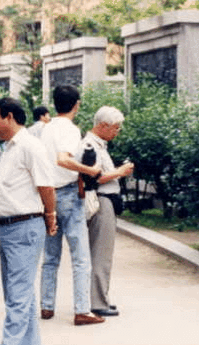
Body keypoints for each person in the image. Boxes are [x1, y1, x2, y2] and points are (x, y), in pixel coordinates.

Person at [0, 97, 57, 345]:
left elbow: (46, 186)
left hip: (24, 227)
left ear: (9, 117)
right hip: (7, 228)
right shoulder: (10, 147)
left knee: (17, 298)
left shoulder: (30, 146)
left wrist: (50, 215)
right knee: (20, 296)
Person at [40, 85, 104, 326]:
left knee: (50, 256)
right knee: (80, 256)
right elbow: (63, 159)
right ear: (76, 104)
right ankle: (82, 309)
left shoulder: (45, 130)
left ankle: (47, 305)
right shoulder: (70, 130)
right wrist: (90, 170)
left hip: (47, 196)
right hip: (67, 194)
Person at [83, 106, 134, 317]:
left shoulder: (98, 145)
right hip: (102, 200)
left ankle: (100, 297)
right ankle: (98, 301)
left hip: (105, 201)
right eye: (115, 127)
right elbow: (93, 177)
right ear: (102, 125)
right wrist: (120, 172)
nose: (117, 132)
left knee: (101, 253)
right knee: (101, 254)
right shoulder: (90, 146)